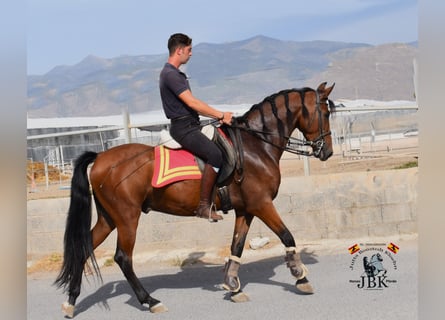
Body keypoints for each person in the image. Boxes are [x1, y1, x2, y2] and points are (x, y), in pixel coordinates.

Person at [159, 33, 233, 222]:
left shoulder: (175, 74)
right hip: (184, 128)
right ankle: (203, 206)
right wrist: (220, 115)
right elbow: (192, 103)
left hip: (192, 124)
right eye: (189, 50)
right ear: (179, 50)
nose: (191, 54)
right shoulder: (170, 74)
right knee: (215, 154)